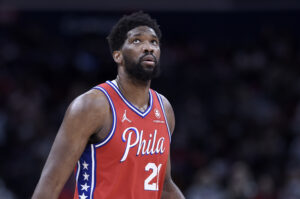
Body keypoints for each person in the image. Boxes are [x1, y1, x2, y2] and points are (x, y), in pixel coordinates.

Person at [32, 11, 185, 199]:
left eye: (154, 42)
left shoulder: (164, 109)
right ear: (117, 56)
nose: (148, 47)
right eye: (137, 41)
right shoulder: (91, 106)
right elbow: (49, 185)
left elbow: (164, 185)